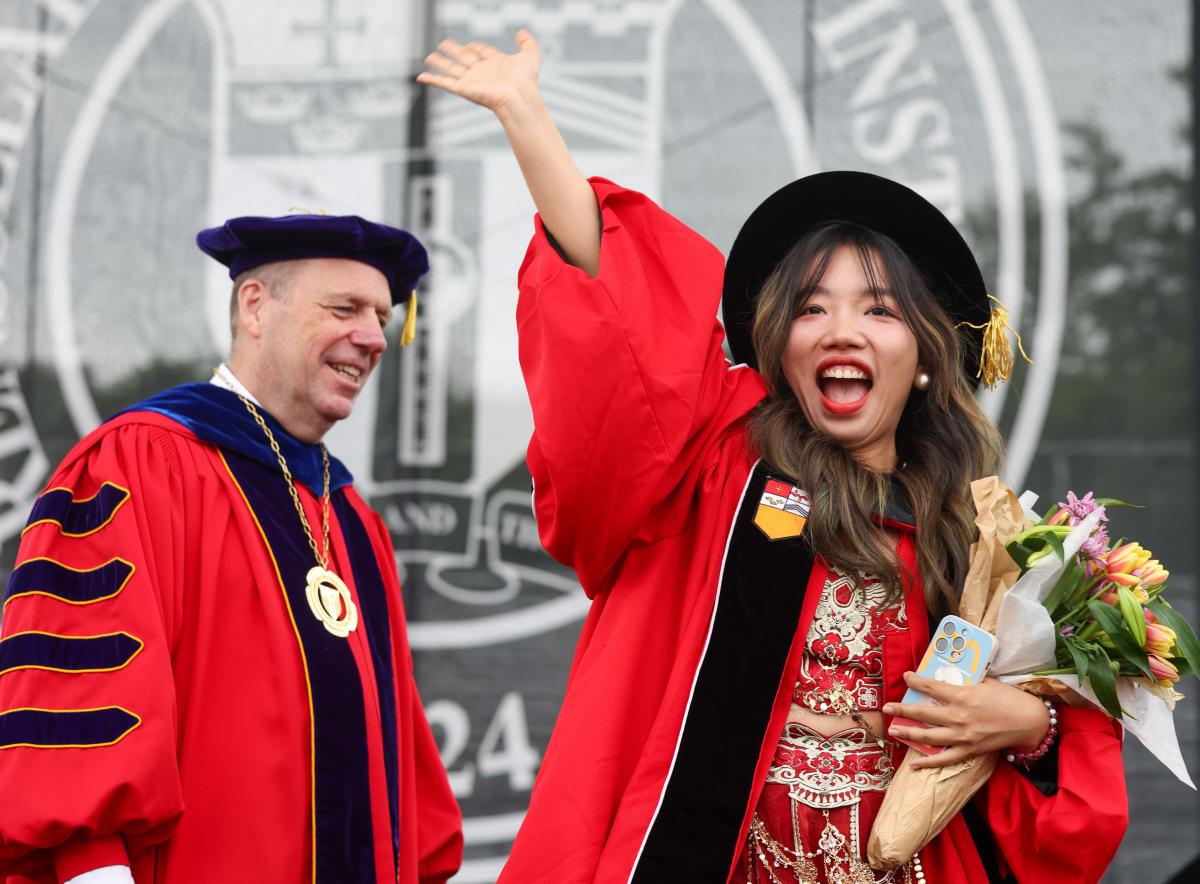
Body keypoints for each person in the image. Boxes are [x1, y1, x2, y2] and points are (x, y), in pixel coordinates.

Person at [418, 31, 1128, 884]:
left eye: (878, 311)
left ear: (928, 350)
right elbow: (621, 327)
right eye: (811, 308)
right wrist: (527, 118)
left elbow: (1056, 765)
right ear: (777, 344)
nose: (840, 332)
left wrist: (1027, 726)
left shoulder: (977, 534)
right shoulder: (716, 463)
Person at [0, 214, 463, 883]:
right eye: (344, 308)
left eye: (382, 318)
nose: (371, 336)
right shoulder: (138, 465)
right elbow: (78, 700)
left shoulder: (355, 522)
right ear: (254, 306)